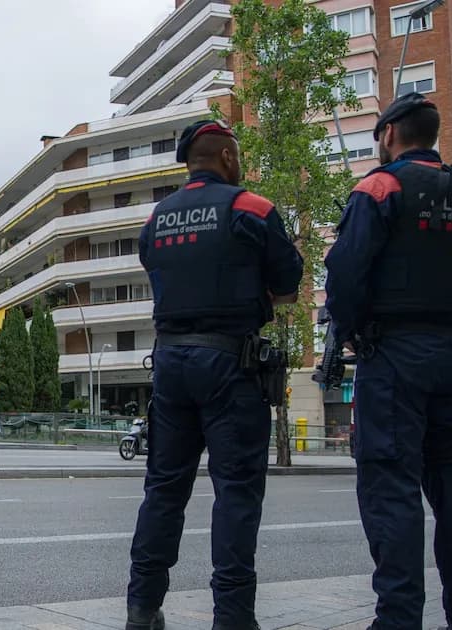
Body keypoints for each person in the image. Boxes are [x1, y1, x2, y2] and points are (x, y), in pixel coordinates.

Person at [324, 92, 452, 630]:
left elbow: (346, 277)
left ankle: (397, 620)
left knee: (391, 490)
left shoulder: (379, 188)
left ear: (389, 134)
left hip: (394, 359)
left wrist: (351, 333)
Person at [126, 119, 303, 630]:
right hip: (231, 364)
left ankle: (142, 607)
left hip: (171, 365)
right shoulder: (252, 207)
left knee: (163, 489)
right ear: (227, 156)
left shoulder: (157, 218)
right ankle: (232, 617)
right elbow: (289, 282)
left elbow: (156, 269)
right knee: (237, 492)